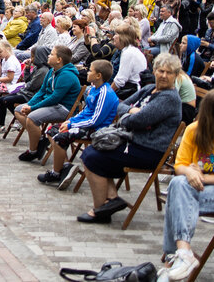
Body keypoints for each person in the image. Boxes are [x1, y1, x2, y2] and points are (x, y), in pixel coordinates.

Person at [77, 53, 182, 224]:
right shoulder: (149, 89)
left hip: (149, 150)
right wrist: (131, 111)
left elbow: (138, 121)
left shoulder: (169, 98)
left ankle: (100, 210)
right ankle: (110, 200)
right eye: (161, 71)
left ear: (176, 76)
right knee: (93, 152)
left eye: (169, 73)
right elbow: (120, 104)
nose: (163, 75)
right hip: (132, 141)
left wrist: (130, 114)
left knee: (91, 156)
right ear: (154, 71)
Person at [158, 89, 214, 281]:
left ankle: (172, 259)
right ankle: (183, 254)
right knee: (178, 184)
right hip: (193, 188)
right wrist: (191, 172)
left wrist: (203, 178)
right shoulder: (193, 130)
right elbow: (180, 166)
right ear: (210, 115)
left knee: (177, 195)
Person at [37, 59, 118, 189]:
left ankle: (56, 172)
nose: (87, 72)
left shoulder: (105, 93)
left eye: (90, 70)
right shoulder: (93, 89)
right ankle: (65, 167)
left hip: (97, 130)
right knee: (52, 131)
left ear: (98, 76)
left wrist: (71, 126)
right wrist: (70, 121)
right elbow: (86, 111)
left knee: (59, 137)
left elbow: (94, 120)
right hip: (85, 124)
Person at [14, 45, 81, 162]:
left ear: (59, 60)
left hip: (63, 108)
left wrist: (33, 108)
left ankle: (33, 150)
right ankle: (39, 139)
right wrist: (29, 105)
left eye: (52, 54)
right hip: (52, 104)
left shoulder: (67, 75)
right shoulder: (51, 71)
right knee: (19, 110)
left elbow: (55, 98)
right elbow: (42, 91)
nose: (48, 56)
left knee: (31, 118)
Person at [110, 22, 147, 99]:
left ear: (123, 37)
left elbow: (120, 80)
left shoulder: (128, 53)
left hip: (131, 92)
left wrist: (106, 94)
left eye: (116, 34)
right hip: (129, 88)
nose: (113, 37)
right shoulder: (128, 50)